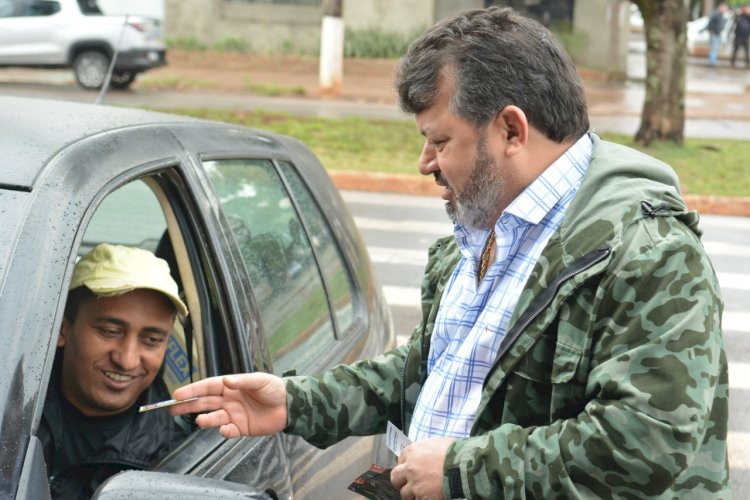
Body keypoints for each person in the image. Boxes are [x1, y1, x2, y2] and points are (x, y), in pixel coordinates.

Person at [171, 7, 729, 499]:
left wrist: (462, 471)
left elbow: (645, 442)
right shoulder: (488, 228)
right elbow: (428, 373)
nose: (425, 162)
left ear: (511, 129)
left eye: (440, 140)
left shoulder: (646, 251)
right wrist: (295, 403)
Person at [39, 243, 190, 499]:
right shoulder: (10, 402)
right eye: (110, 331)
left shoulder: (175, 461)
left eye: (152, 340)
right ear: (62, 329)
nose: (127, 360)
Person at [707, 2, 729, 66]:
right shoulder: (716, 14)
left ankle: (713, 61)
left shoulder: (720, 15)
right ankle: (712, 62)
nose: (725, 10)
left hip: (717, 34)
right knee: (714, 48)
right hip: (715, 34)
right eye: (724, 8)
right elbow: (710, 23)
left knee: (715, 48)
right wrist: (712, 31)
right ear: (721, 7)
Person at [731, 4, 750, 68]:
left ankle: (747, 63)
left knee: (746, 51)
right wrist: (738, 12)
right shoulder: (739, 15)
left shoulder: (748, 16)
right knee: (735, 50)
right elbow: (734, 19)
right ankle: (733, 62)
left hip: (746, 36)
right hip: (738, 36)